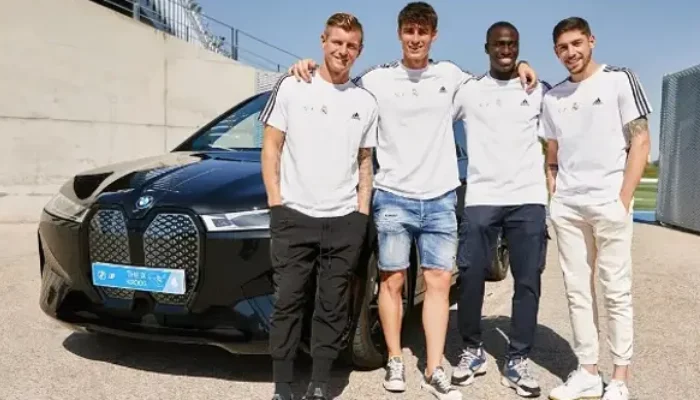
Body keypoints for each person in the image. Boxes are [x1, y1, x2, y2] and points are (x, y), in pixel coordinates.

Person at [288, 3, 538, 399]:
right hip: (392, 197)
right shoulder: (378, 79)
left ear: (433, 35)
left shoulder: (452, 76)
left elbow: (497, 75)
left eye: (423, 32)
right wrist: (305, 67)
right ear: (400, 34)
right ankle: (393, 359)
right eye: (409, 31)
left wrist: (520, 62)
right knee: (392, 280)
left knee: (439, 282)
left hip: (439, 196)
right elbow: (338, 81)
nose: (416, 39)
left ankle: (435, 366)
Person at [260, 12, 378, 400]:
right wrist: (276, 205)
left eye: (351, 46)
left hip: (344, 220)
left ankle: (319, 384)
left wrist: (361, 215)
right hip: (294, 216)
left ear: (359, 52)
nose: (343, 51)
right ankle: (282, 387)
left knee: (331, 307)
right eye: (337, 42)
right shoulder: (293, 86)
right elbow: (271, 147)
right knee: (288, 303)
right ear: (323, 41)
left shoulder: (365, 101)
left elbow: (365, 162)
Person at [541, 17, 651, 400]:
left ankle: (619, 378)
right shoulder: (553, 97)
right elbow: (552, 152)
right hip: (569, 207)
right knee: (576, 291)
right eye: (562, 48)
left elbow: (640, 142)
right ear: (556, 53)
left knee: (615, 290)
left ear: (591, 41)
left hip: (609, 203)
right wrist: (555, 193)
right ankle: (587, 371)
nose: (570, 53)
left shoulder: (620, 79)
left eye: (576, 43)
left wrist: (622, 201)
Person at [450, 21, 549, 398]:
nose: (505, 50)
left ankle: (518, 358)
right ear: (487, 47)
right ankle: (472, 349)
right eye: (498, 44)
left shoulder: (537, 89)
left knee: (527, 280)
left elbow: (559, 134)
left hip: (528, 198)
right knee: (471, 273)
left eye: (511, 45)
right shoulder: (470, 91)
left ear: (518, 47)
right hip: (482, 197)